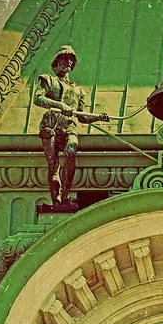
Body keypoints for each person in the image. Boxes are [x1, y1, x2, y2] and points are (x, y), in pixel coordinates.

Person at [34, 45, 109, 206]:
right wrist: (60, 105)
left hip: (69, 126)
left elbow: (81, 116)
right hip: (51, 126)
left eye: (70, 59)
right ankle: (56, 201)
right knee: (53, 165)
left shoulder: (78, 90)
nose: (68, 62)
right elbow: (38, 99)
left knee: (70, 151)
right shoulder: (48, 79)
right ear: (56, 62)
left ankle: (65, 195)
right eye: (64, 58)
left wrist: (97, 118)